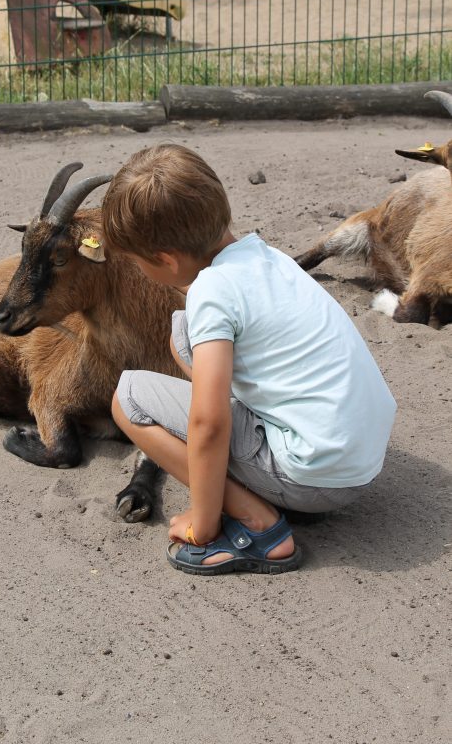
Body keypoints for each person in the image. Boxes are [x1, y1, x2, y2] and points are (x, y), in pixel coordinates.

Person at [101, 143, 397, 576]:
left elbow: (208, 424)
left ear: (165, 259)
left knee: (129, 397)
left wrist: (203, 522)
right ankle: (275, 483)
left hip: (313, 475)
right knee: (184, 335)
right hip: (357, 463)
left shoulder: (212, 291)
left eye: (139, 264)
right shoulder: (266, 256)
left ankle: (260, 525)